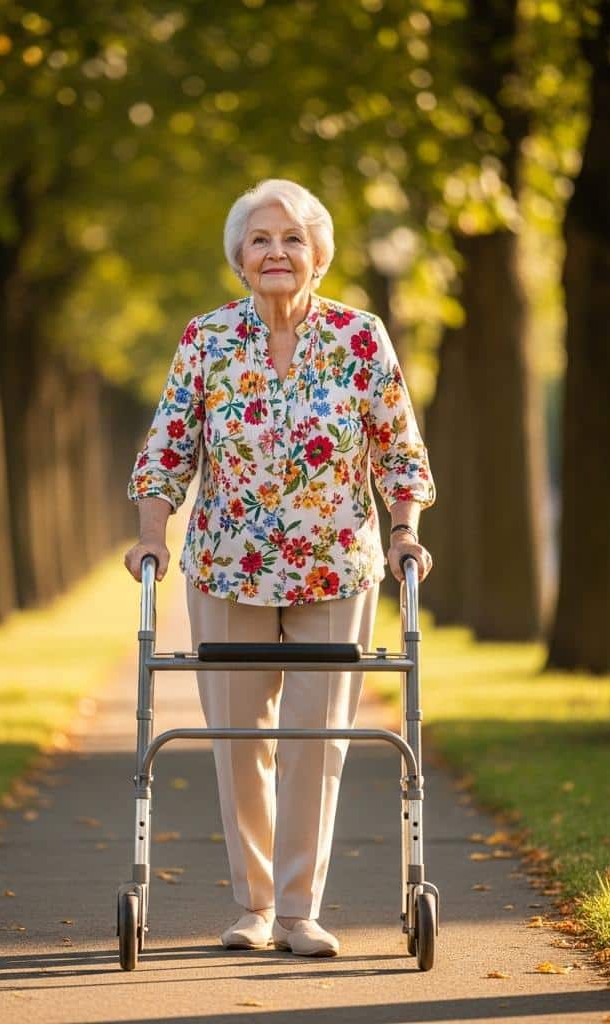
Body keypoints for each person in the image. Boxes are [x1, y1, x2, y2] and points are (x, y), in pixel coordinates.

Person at [125, 178, 434, 957]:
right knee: (239, 741)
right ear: (239, 258)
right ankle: (253, 906)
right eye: (261, 240)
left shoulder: (361, 339)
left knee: (316, 739)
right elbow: (167, 450)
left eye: (293, 239)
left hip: (336, 569)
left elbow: (400, 452)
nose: (277, 253)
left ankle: (299, 912)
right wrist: (151, 533)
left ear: (319, 256)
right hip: (227, 569)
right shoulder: (207, 339)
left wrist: (404, 532)